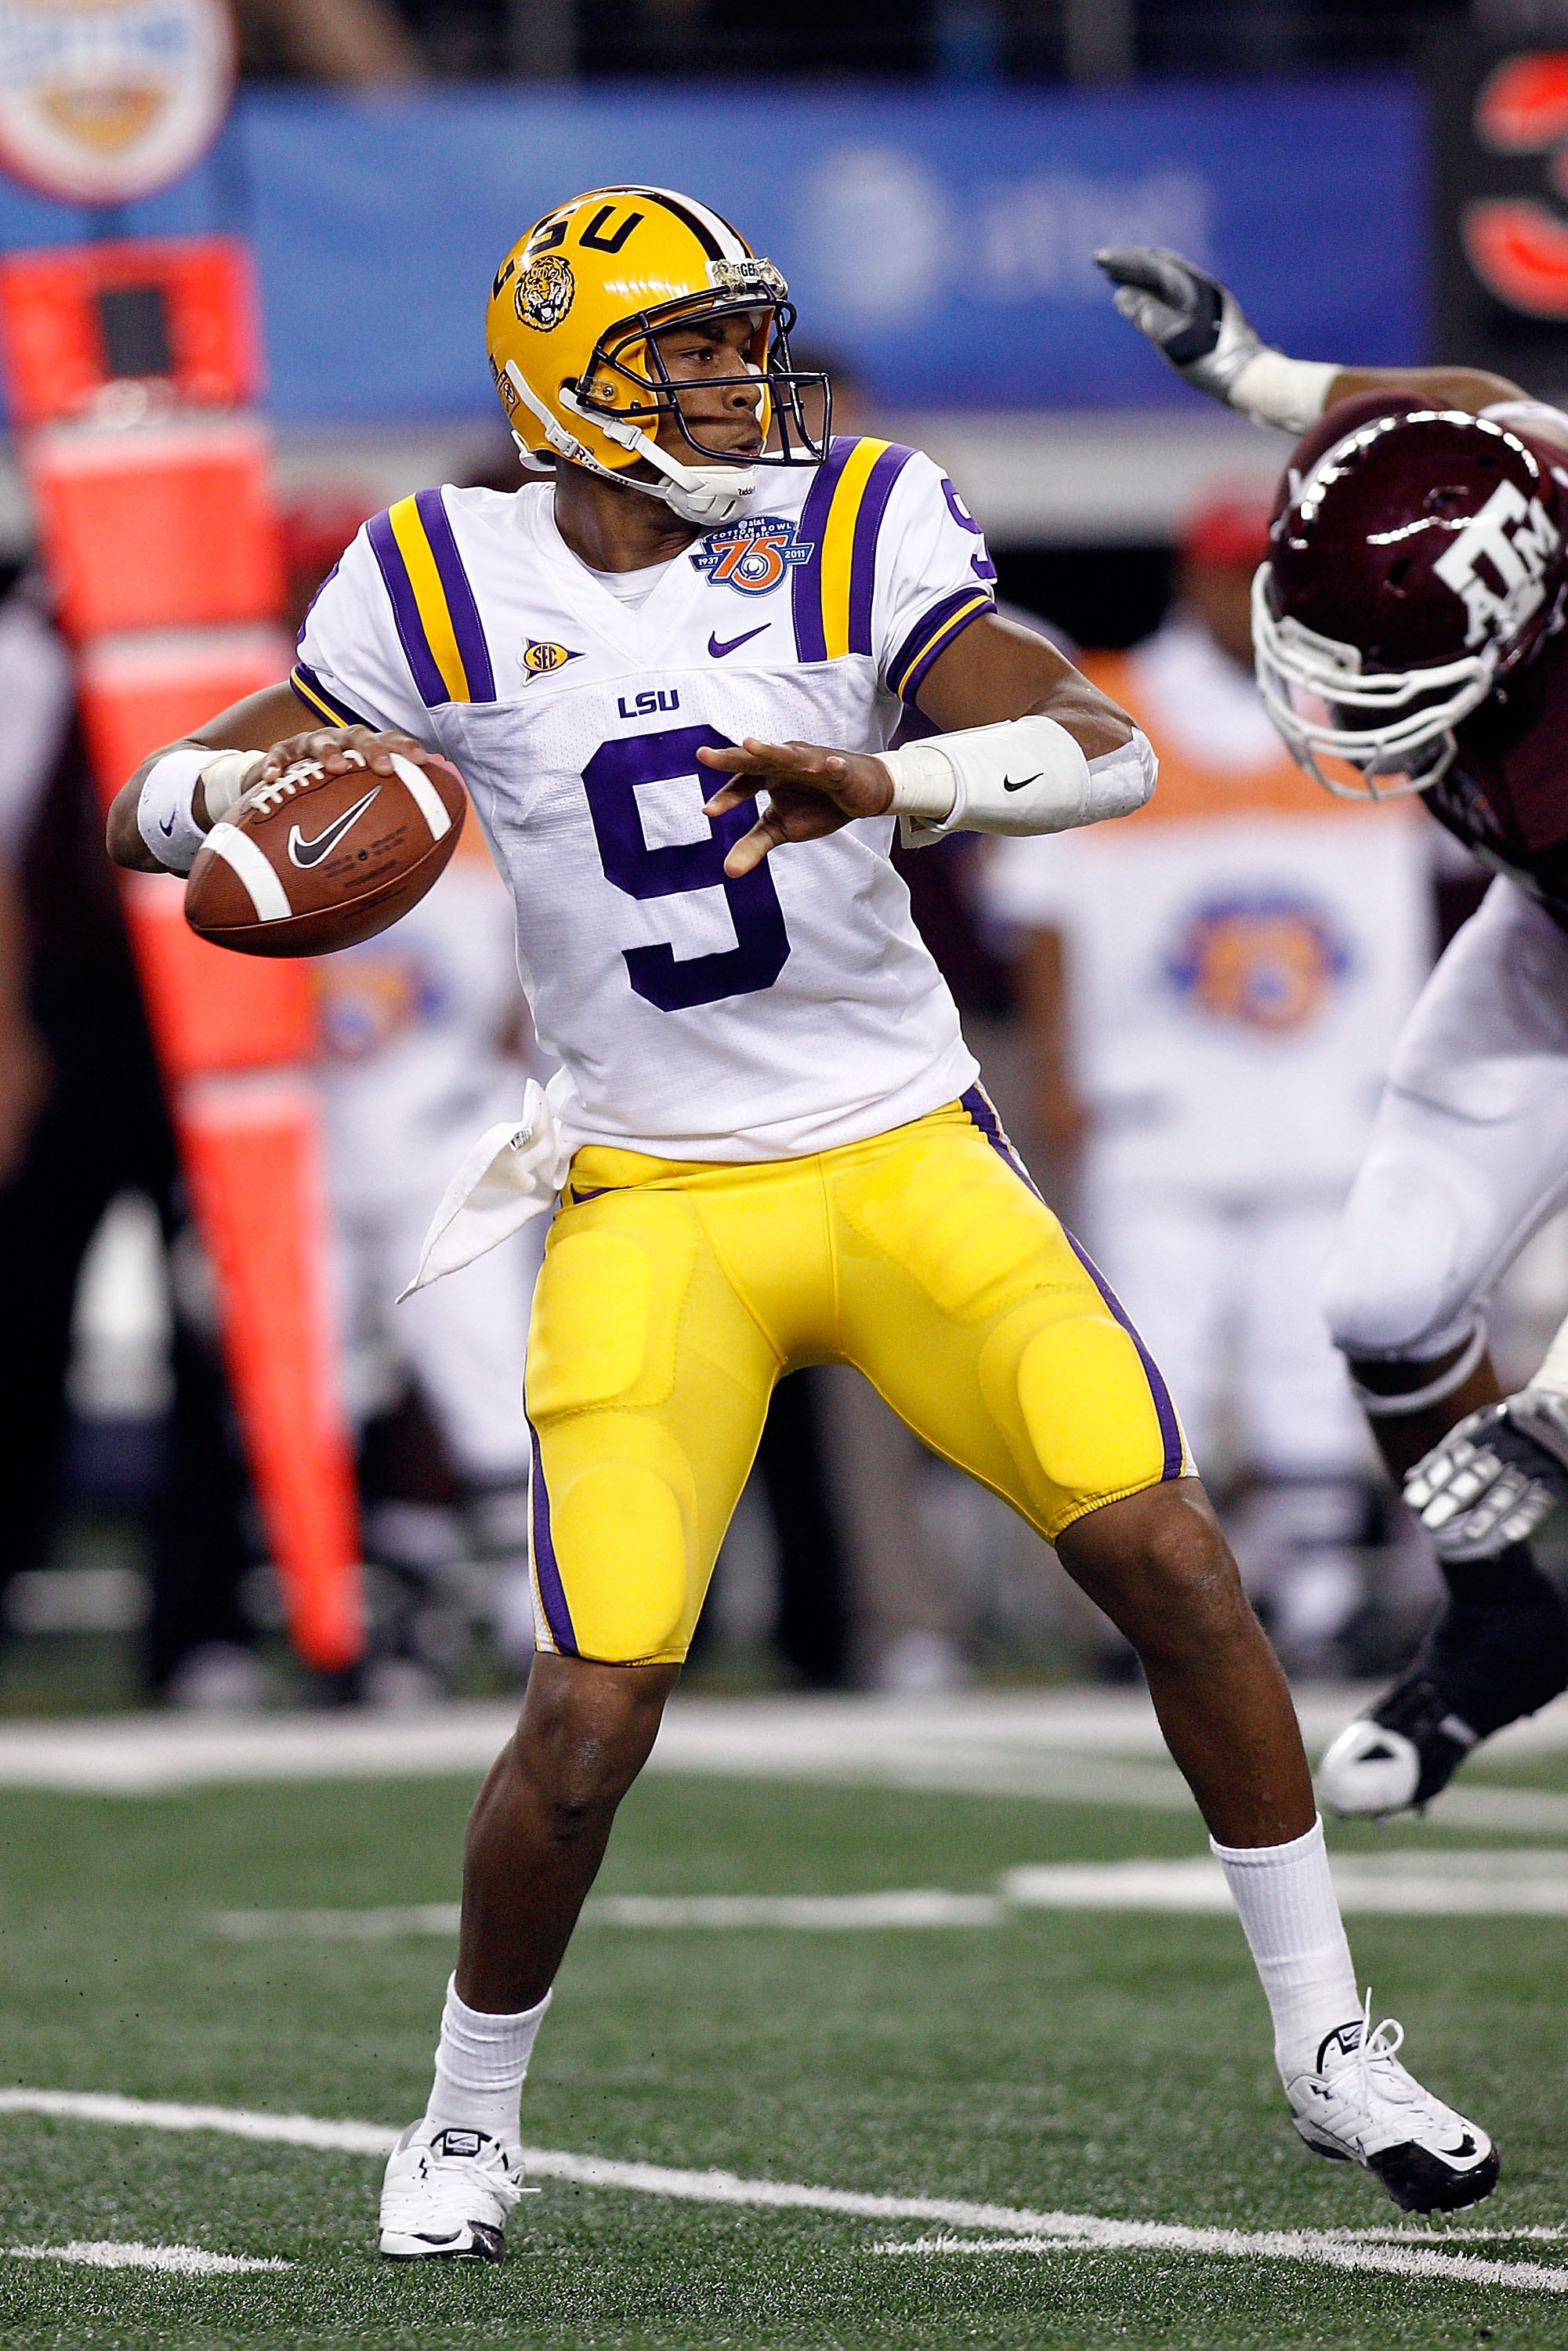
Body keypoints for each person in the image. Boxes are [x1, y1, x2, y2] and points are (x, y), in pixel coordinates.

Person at [109, 187, 1496, 2252]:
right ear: (560, 386)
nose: (731, 382)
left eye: (734, 343)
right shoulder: (438, 572)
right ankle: (467, 2117)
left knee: (1176, 1567)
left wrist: (902, 788)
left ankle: (1324, 2042)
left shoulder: (853, 524)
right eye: (679, 354)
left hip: (903, 1152)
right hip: (655, 1194)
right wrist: (219, 815)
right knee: (590, 1713)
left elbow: (1101, 747)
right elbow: (173, 794)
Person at [1099, 244, 1568, 1812]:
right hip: (1544, 916)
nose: (1331, 704)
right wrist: (1246, 370)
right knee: (1377, 1294)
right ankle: (1504, 1620)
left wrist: (1558, 1400)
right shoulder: (1488, 471)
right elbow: (1456, 412)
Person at [982, 495, 1431, 1671]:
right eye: (1235, 576)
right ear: (1193, 580)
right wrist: (1060, 1071)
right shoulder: (1108, 704)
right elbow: (1039, 914)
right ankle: (1150, 1619)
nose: (1251, 601)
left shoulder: (1366, 708)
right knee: (1149, 1364)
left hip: (1327, 1096)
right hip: (1162, 1102)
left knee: (1307, 1357)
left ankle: (1319, 1602)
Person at [0, 570, 259, 1704]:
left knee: (218, 1327)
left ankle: (200, 1626)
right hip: (67, 1013)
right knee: (19, 1321)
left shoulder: (248, 626)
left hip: (221, 1011)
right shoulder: (26, 644)